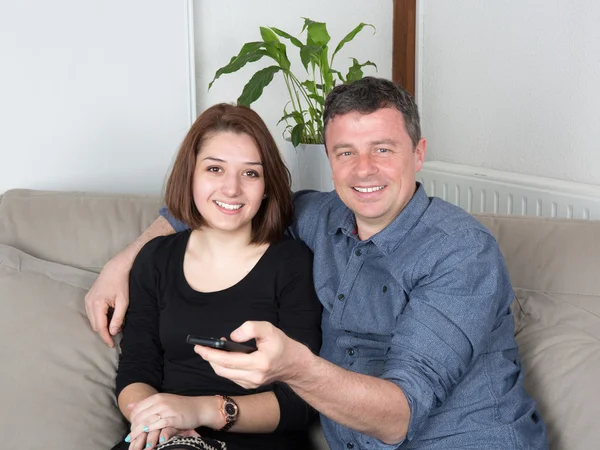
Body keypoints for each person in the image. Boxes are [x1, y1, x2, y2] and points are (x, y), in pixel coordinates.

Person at [89, 77, 548, 449]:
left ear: (419, 153)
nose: (364, 169)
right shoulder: (318, 216)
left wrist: (294, 367)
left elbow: (397, 419)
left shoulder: (462, 253)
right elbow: (232, 199)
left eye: (383, 149)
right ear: (329, 159)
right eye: (346, 152)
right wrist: (124, 261)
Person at [109, 103, 322, 450]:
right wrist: (153, 419)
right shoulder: (154, 260)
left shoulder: (292, 263)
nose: (231, 189)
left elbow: (302, 397)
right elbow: (136, 370)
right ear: (190, 175)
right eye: (215, 169)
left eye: (250, 173)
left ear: (266, 186)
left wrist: (199, 410)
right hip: (163, 437)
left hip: (260, 439)